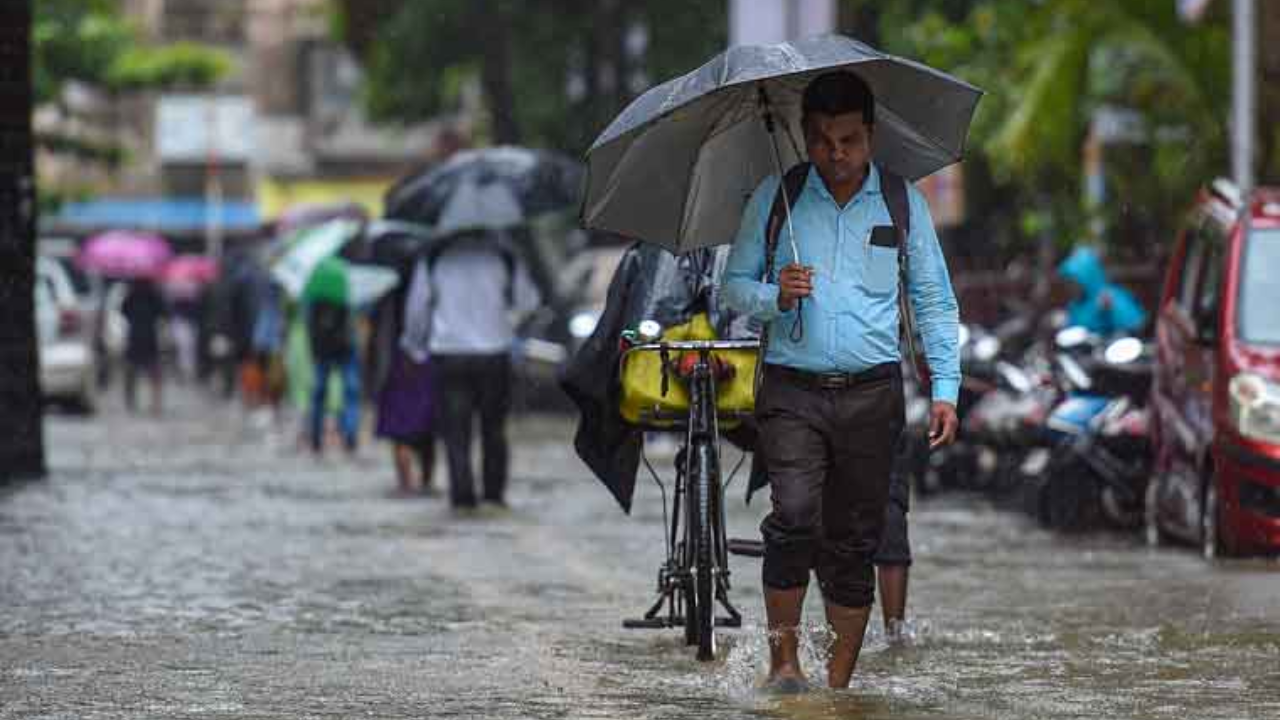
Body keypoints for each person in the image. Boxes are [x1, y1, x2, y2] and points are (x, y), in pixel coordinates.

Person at [723, 70, 960, 691]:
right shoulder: (777, 199)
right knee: (794, 515)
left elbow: (933, 300)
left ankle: (836, 688)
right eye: (824, 140)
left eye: (849, 140)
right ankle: (783, 667)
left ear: (870, 136)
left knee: (856, 539)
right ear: (804, 135)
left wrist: (946, 390)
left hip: (873, 394)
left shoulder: (904, 203)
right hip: (792, 391)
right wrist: (776, 295)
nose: (836, 154)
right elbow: (734, 287)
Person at [401, 231, 540, 511]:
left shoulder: (435, 257)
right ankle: (493, 495)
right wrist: (506, 319)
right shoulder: (504, 255)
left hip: (449, 353)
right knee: (494, 429)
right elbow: (529, 302)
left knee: (456, 431)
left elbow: (417, 309)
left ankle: (462, 498)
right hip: (494, 352)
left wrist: (414, 348)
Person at [373, 274, 437, 498]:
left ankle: (406, 484)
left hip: (401, 360)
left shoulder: (385, 284)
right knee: (426, 426)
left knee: (401, 429)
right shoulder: (430, 272)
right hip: (429, 357)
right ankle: (424, 483)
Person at [306, 296, 361, 456]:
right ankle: (322, 436)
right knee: (344, 391)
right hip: (335, 348)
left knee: (324, 392)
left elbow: (309, 323)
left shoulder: (316, 293)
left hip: (335, 347)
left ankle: (343, 435)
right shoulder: (346, 291)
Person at [1057, 246, 1147, 337]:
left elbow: (1136, 324)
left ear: (1087, 278)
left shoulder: (1111, 296)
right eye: (1068, 283)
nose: (1069, 287)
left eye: (1073, 282)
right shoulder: (1075, 304)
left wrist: (1111, 310)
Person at [120, 277, 166, 415]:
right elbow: (163, 312)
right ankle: (155, 403)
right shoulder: (154, 293)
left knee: (132, 371)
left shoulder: (131, 293)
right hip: (149, 336)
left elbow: (123, 311)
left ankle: (132, 401)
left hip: (135, 336)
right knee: (152, 371)